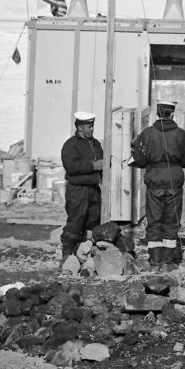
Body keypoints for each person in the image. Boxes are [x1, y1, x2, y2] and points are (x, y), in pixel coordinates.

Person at [130, 99, 185, 272]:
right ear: (172, 113)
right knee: (171, 221)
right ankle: (167, 263)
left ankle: (154, 263)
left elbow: (139, 159)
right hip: (174, 181)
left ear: (157, 114)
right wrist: (177, 165)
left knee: (154, 222)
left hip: (154, 182)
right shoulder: (181, 134)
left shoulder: (147, 134)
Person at [60, 111, 104, 263]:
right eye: (88, 126)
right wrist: (94, 165)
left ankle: (84, 253)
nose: (91, 129)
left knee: (93, 221)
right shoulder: (70, 145)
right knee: (75, 222)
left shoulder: (96, 144)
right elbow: (71, 167)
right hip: (77, 190)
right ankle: (67, 254)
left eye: (92, 126)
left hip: (93, 189)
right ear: (79, 128)